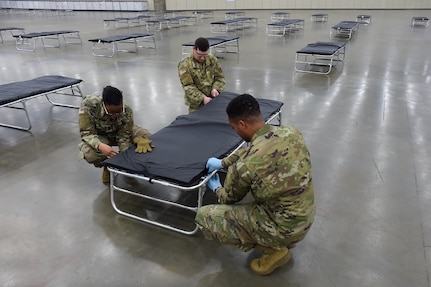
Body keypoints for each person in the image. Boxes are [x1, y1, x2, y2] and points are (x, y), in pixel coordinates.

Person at [195, 94, 315, 276]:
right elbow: (253, 150)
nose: (235, 131)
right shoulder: (292, 132)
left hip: (285, 229)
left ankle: (275, 249)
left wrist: (216, 187)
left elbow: (229, 198)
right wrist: (224, 163)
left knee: (206, 216)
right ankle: (276, 241)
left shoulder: (246, 166)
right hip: (306, 216)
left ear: (242, 124)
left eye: (234, 127)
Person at [78, 85, 153, 183]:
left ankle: (128, 166)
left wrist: (125, 156)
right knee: (90, 154)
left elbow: (124, 135)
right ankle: (107, 165)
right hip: (101, 136)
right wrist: (100, 146)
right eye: (111, 112)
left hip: (119, 131)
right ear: (104, 104)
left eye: (118, 112)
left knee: (148, 138)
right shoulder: (88, 106)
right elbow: (86, 133)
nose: (114, 116)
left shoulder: (126, 110)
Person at [178, 37, 226, 113]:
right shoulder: (185, 65)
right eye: (199, 55)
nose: (203, 58)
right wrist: (203, 98)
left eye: (205, 55)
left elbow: (220, 77)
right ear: (194, 49)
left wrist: (216, 89)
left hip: (213, 100)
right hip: (196, 105)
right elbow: (188, 86)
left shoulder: (212, 60)